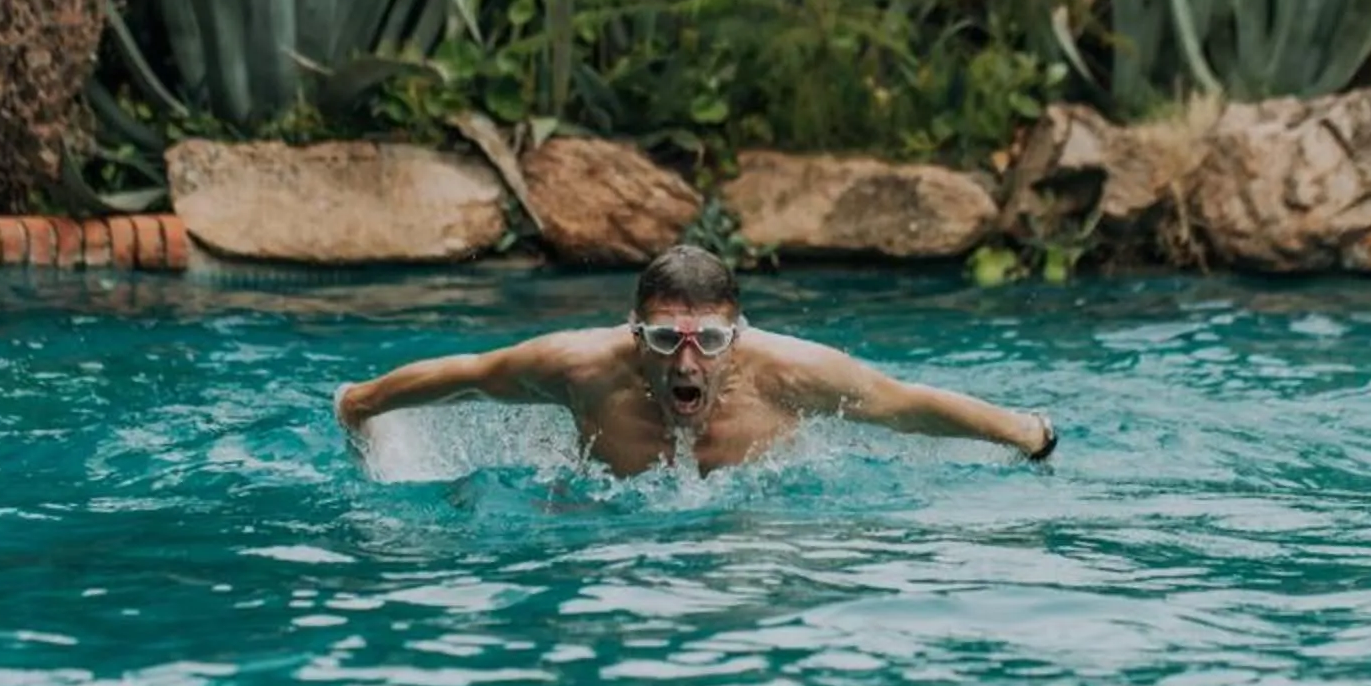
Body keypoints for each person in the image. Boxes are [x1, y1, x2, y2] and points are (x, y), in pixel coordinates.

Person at [334, 246, 1058, 477]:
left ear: (735, 338)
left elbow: (907, 405)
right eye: (663, 341)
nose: (687, 361)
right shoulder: (579, 368)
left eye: (708, 342)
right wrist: (362, 404)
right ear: (633, 334)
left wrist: (1028, 433)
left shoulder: (793, 373)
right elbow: (467, 374)